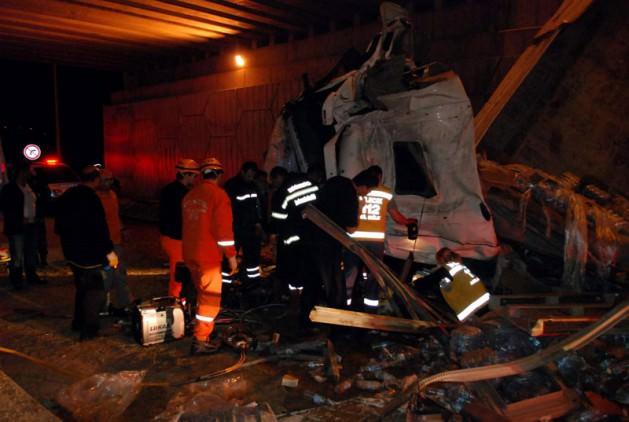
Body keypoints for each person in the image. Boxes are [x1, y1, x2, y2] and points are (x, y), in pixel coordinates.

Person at [55, 166, 118, 340]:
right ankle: (90, 328)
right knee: (94, 290)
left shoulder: (67, 195)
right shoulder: (92, 199)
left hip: (72, 252)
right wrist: (108, 251)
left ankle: (78, 321)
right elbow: (99, 228)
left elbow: (58, 225)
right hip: (89, 254)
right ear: (95, 180)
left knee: (81, 288)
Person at [182, 157, 238, 355]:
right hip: (208, 257)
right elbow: (223, 232)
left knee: (201, 295)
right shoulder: (219, 196)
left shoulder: (190, 196)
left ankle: (202, 331)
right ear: (219, 174)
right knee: (210, 298)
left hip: (190, 254)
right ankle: (201, 339)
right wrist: (231, 257)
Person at [344, 165, 417, 312]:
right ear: (380, 177)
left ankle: (344, 305)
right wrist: (409, 221)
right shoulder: (386, 193)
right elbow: (397, 218)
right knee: (374, 275)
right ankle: (370, 307)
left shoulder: (354, 189)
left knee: (350, 273)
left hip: (353, 239)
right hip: (375, 243)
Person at [312, 173, 378, 314]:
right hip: (329, 243)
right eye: (369, 191)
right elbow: (352, 229)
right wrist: (359, 209)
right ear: (364, 187)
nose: (367, 194)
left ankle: (313, 312)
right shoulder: (350, 194)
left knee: (315, 279)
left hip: (312, 237)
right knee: (334, 281)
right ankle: (334, 316)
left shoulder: (335, 181)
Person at [269, 171, 320, 327]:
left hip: (293, 239)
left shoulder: (283, 192)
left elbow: (278, 218)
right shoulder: (313, 186)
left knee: (293, 272)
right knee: (310, 273)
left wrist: (274, 235)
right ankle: (309, 303)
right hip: (313, 238)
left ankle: (295, 303)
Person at [159, 159, 199, 297]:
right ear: (185, 174)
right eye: (193, 176)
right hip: (176, 239)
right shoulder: (180, 193)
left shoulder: (171, 190)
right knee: (178, 274)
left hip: (173, 237)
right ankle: (174, 302)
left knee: (180, 272)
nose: (194, 179)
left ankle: (179, 300)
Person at [0, 162, 44, 289]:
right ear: (21, 172)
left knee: (30, 252)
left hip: (31, 224)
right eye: (27, 171)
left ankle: (31, 276)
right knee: (17, 254)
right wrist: (19, 219)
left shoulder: (30, 187)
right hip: (17, 227)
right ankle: (17, 280)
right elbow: (6, 207)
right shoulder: (10, 189)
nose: (30, 173)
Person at [96, 168, 133, 314]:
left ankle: (123, 303)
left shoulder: (112, 195)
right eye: (105, 180)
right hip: (105, 244)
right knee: (109, 275)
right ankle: (102, 306)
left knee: (118, 273)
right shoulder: (96, 198)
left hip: (115, 243)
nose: (108, 183)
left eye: (110, 180)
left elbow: (115, 216)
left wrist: (123, 230)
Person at [223, 161, 263, 285]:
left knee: (252, 257)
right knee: (229, 257)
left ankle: (252, 283)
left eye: (252, 176)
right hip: (235, 227)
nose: (250, 178)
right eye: (248, 175)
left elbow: (258, 206)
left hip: (250, 229)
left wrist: (258, 223)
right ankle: (226, 284)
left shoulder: (254, 186)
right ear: (242, 171)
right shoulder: (231, 186)